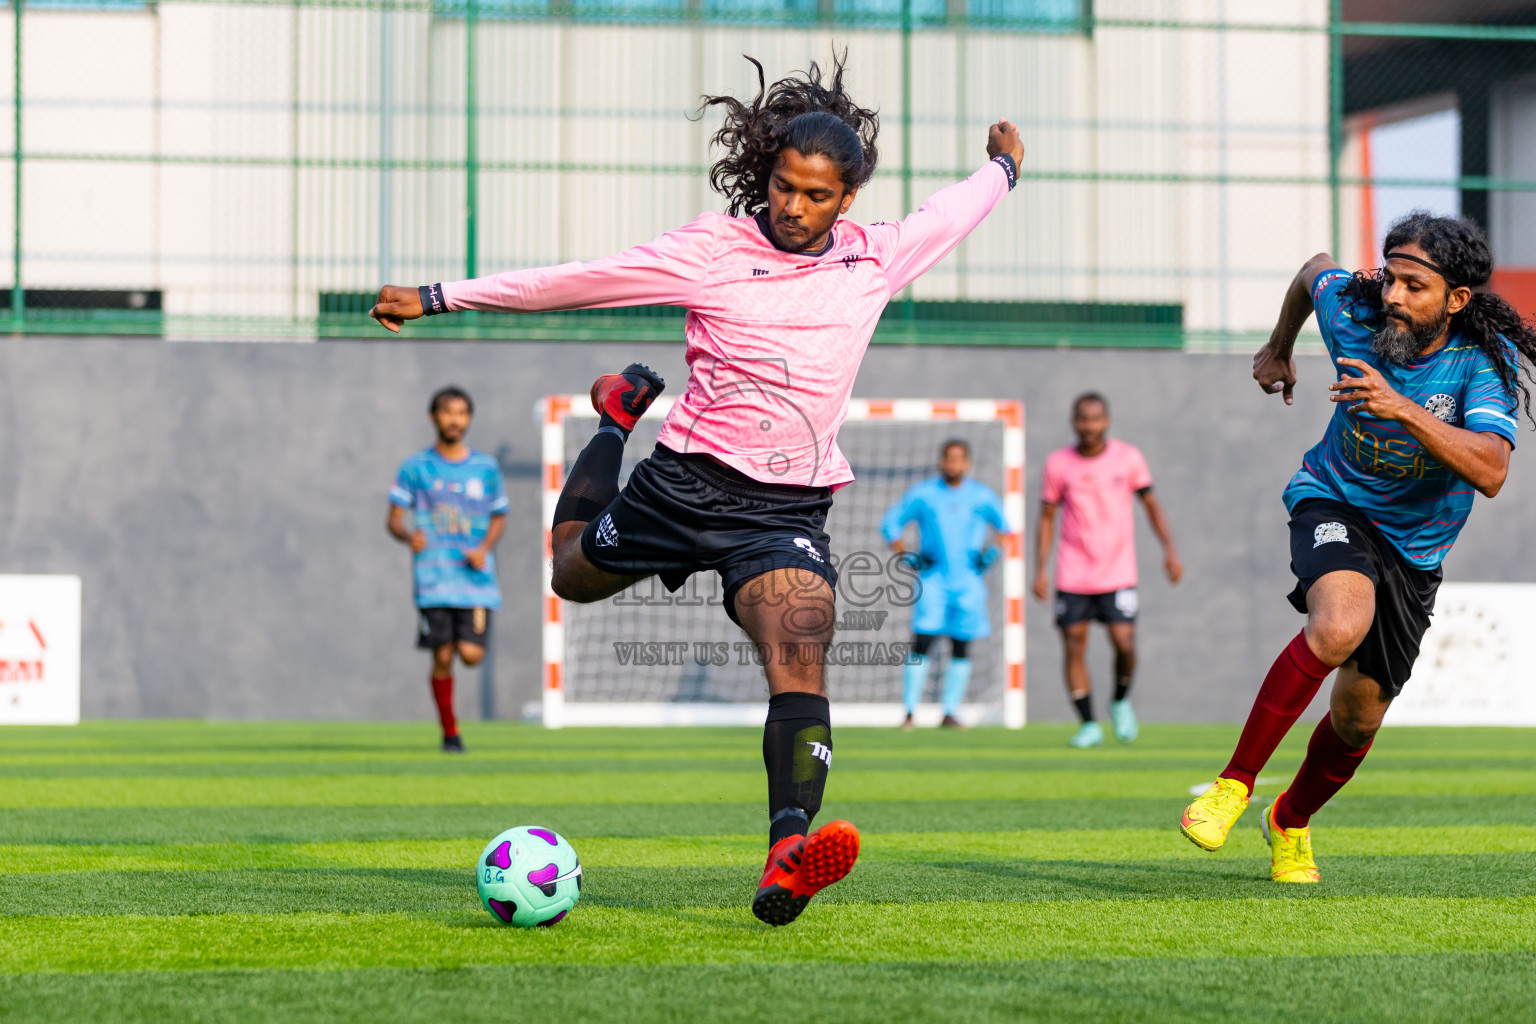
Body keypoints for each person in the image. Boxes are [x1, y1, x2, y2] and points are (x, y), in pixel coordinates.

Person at [368, 53, 1023, 925]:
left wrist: (1004, 166)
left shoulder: (877, 259)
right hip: (681, 489)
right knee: (570, 572)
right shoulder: (712, 250)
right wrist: (441, 296)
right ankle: (615, 419)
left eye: (817, 194)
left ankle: (787, 850)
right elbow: (576, 281)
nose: (795, 206)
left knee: (803, 640)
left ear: (847, 199)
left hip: (784, 509)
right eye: (785, 185)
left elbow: (957, 209)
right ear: (769, 176)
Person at [1181, 212, 1533, 883]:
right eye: (1391, 276)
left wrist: (1404, 409)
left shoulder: (1482, 363)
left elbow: (1491, 470)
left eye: (1414, 286)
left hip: (1416, 550)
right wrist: (1280, 346)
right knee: (1340, 623)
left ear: (1456, 300)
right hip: (1333, 499)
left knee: (1356, 719)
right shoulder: (1355, 308)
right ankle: (1234, 783)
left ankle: (1288, 821)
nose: (1393, 296)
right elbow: (1315, 268)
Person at [1032, 393, 1181, 748]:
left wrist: (1169, 550)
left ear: (1107, 421)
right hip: (1073, 572)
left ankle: (1120, 700)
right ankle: (1088, 725)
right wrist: (1040, 568)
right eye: (1083, 420)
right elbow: (1047, 517)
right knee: (1073, 644)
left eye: (1095, 419)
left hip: (1118, 573)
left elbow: (1151, 505)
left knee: (1124, 643)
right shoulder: (1058, 463)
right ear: (1073, 422)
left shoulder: (1127, 458)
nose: (1089, 427)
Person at [387, 387, 508, 753]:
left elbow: (500, 515)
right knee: (441, 655)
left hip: (475, 582)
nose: (454, 419)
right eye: (447, 412)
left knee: (470, 655)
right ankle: (450, 732)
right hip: (434, 580)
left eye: (461, 413)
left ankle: (455, 647)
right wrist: (409, 536)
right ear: (433, 417)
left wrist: (484, 548)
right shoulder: (414, 467)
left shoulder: (485, 468)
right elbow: (393, 518)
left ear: (468, 419)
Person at [881, 439, 1010, 730]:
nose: (953, 464)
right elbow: (890, 524)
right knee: (922, 643)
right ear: (942, 461)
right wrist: (907, 556)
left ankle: (950, 712)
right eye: (948, 459)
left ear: (967, 463)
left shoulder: (981, 496)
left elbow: (1004, 528)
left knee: (961, 646)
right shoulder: (925, 494)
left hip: (968, 584)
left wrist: (991, 554)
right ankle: (910, 713)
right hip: (933, 581)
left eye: (959, 459)